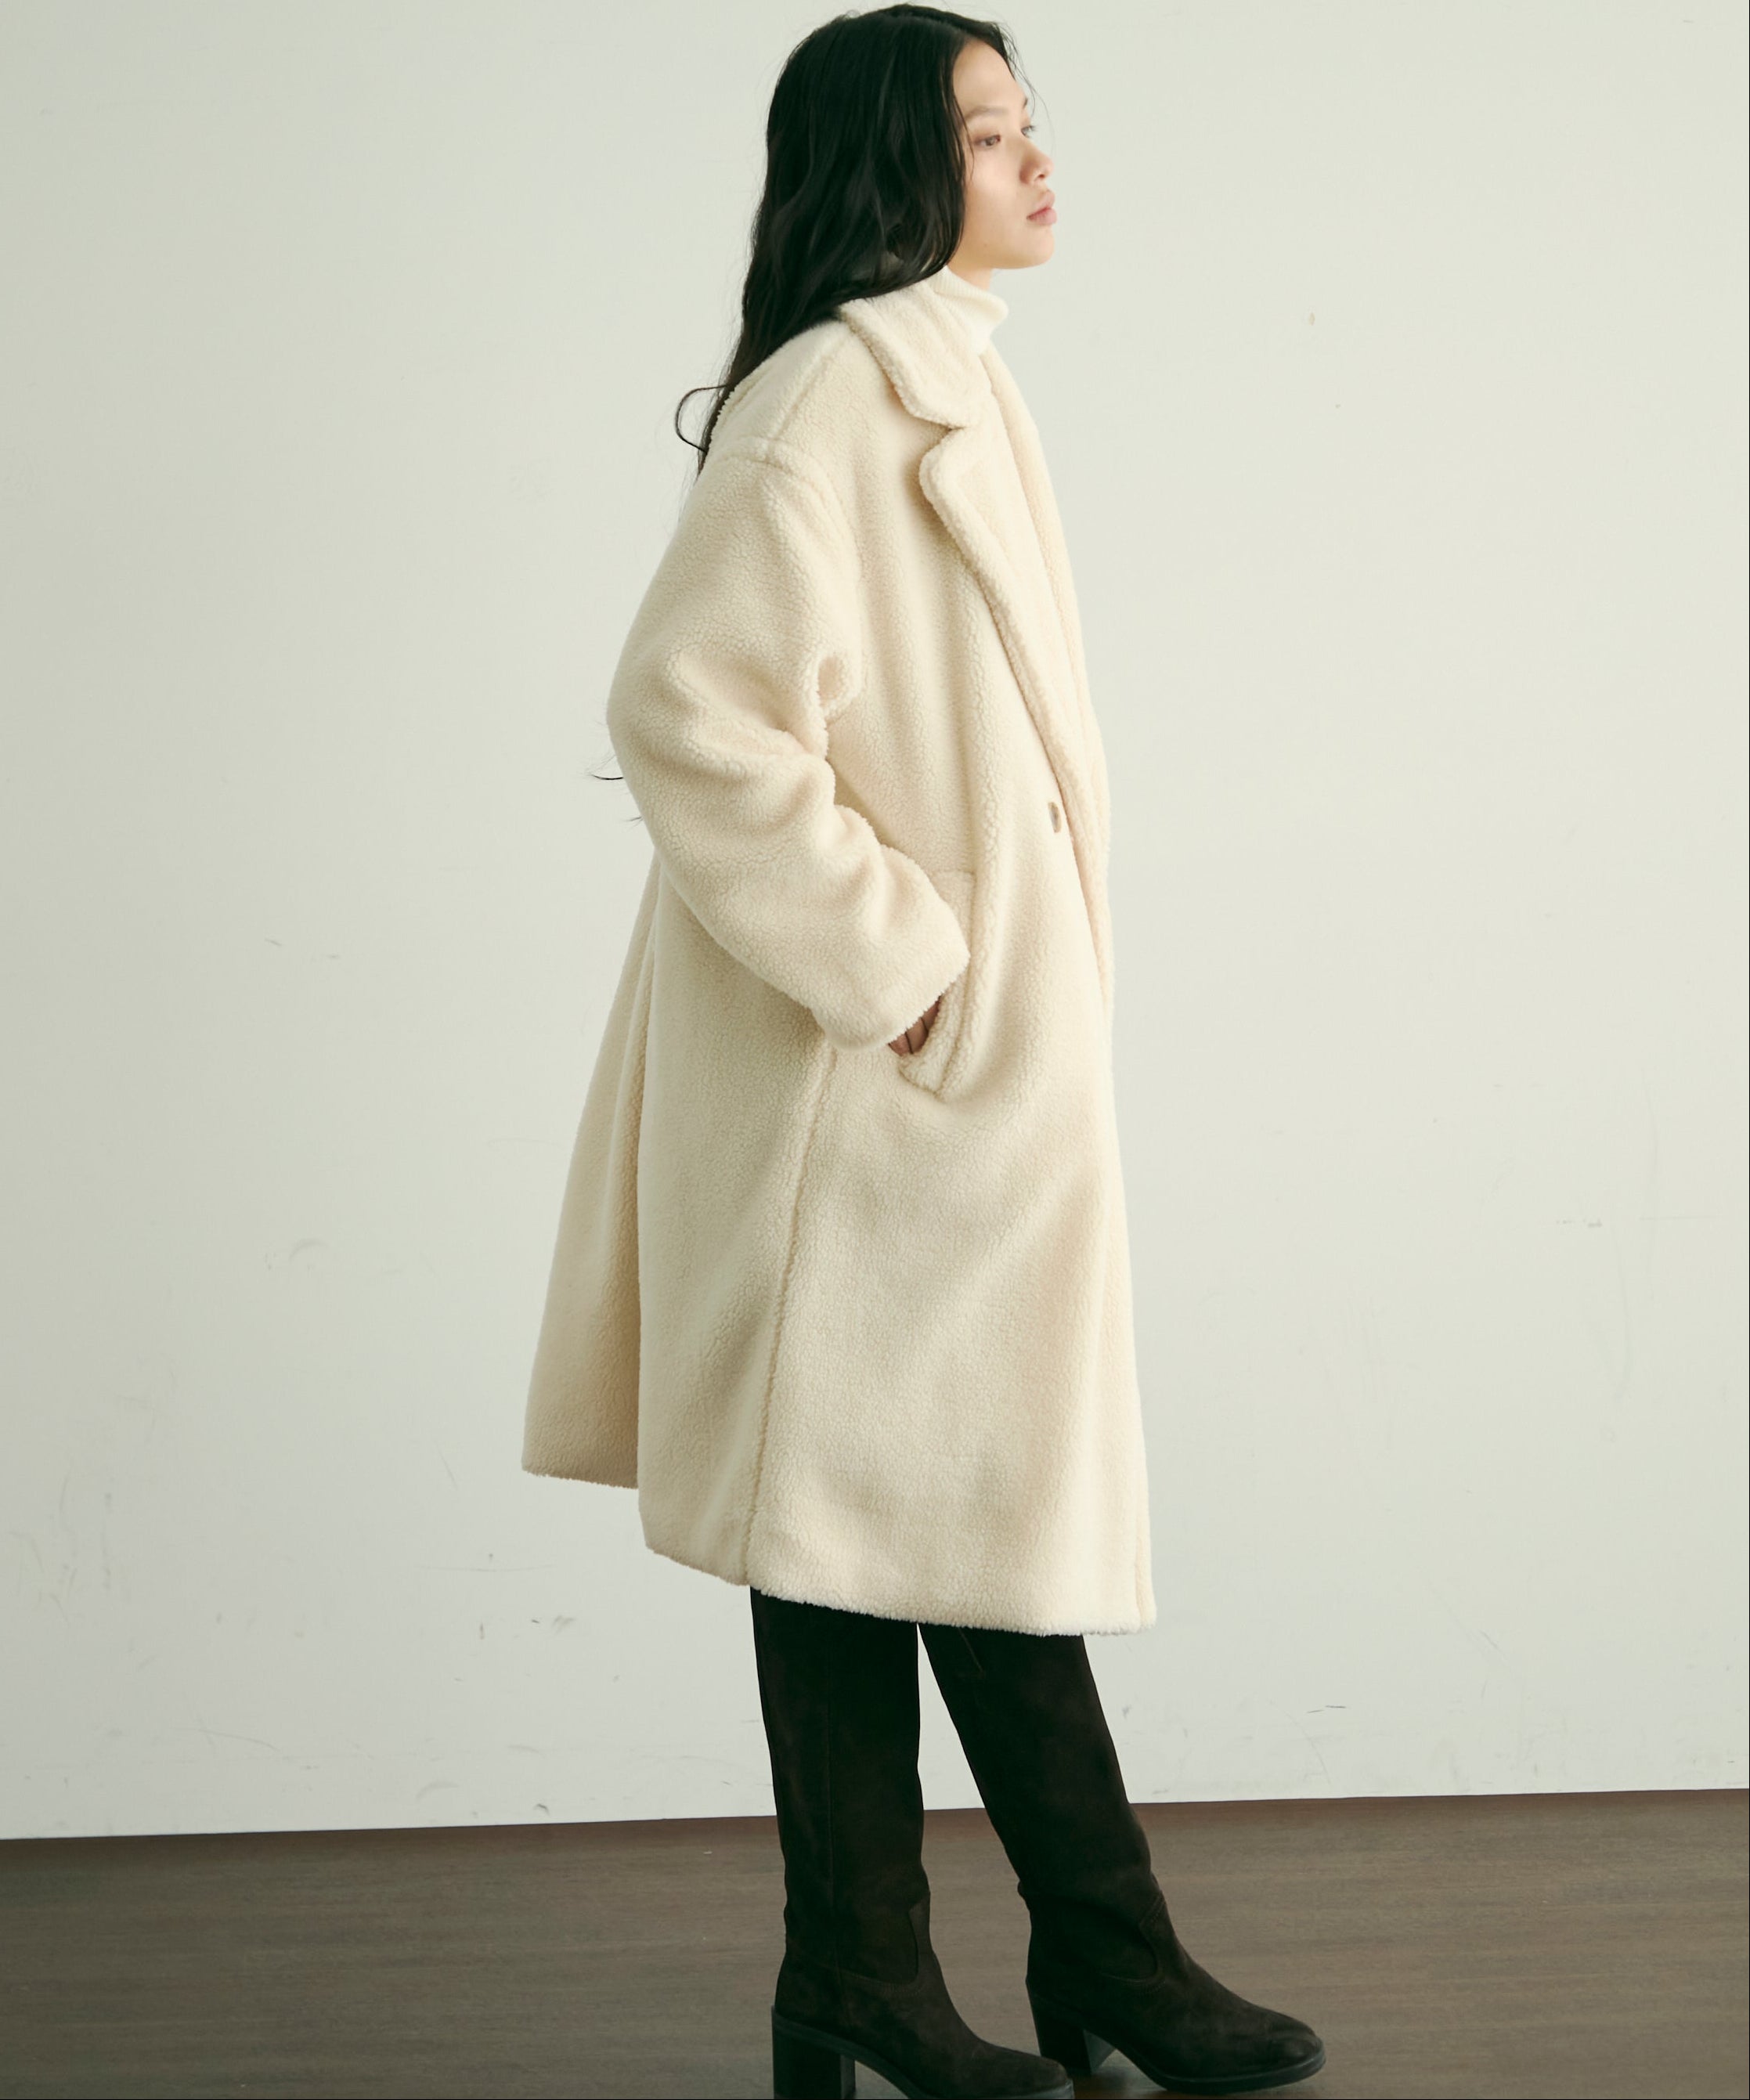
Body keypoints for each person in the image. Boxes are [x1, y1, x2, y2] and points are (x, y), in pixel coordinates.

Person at [522, 7, 1327, 2095]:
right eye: (988, 132)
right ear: (898, 166)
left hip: (944, 1083)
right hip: (860, 1088)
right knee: (884, 1517)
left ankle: (964, 1971)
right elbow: (685, 707)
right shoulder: (831, 398)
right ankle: (990, 1968)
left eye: (1031, 120)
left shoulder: (950, 372)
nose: (1037, 158)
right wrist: (901, 960)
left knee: (928, 1508)